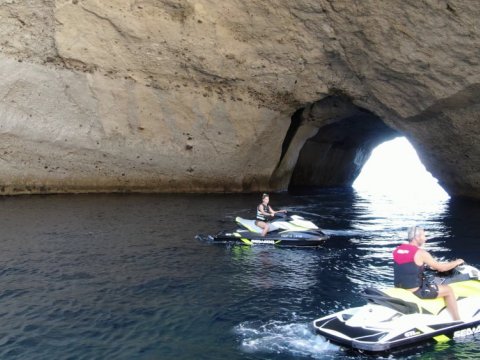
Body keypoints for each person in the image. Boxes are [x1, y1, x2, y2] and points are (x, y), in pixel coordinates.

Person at [392, 225, 464, 321]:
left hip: (400, 288)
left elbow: (408, 267)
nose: (425, 239)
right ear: (417, 237)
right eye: (424, 236)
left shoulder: (397, 250)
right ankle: (458, 321)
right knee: (449, 290)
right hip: (415, 291)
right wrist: (457, 262)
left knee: (433, 281)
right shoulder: (421, 253)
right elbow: (441, 268)